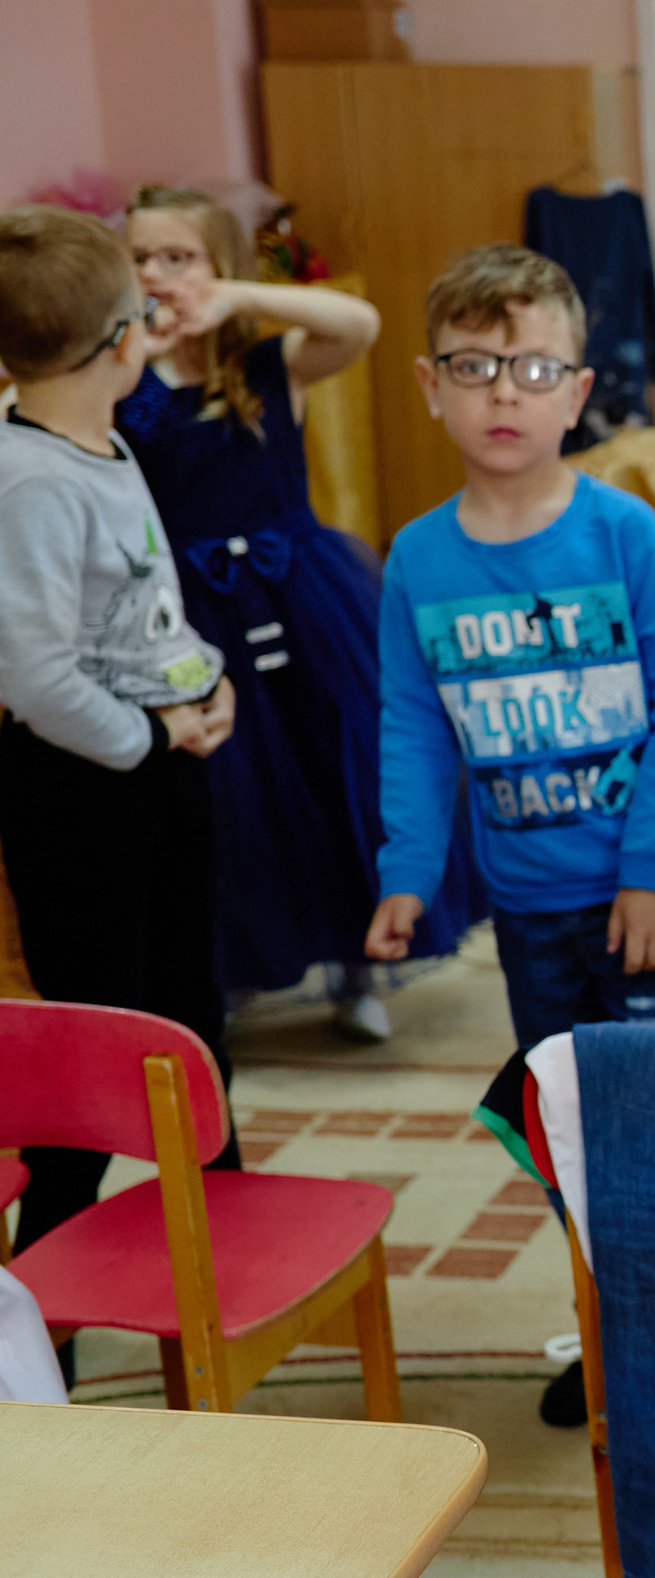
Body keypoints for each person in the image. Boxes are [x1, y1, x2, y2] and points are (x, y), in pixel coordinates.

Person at [363, 244, 655, 1428]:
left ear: (577, 391)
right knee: (568, 1140)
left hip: (648, 904)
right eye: (474, 366)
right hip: (530, 914)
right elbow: (411, 726)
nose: (503, 392)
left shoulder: (624, 537)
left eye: (531, 367)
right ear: (429, 384)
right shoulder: (418, 558)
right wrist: (408, 873)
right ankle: (620, 1331)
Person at [118, 185, 482, 1038]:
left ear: (221, 268)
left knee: (338, 773)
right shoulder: (129, 377)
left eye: (178, 258)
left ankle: (363, 965)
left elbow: (357, 324)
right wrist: (141, 345)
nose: (157, 274)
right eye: (139, 259)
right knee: (232, 794)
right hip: (193, 614)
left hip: (302, 598)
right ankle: (243, 962)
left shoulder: (268, 364)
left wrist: (240, 302)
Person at [0, 206, 241, 1356]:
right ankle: (39, 1322)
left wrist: (209, 679)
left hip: (157, 768)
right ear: (124, 339)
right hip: (84, 793)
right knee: (100, 1061)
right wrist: (148, 739)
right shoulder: (30, 482)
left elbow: (142, 609)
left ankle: (226, 1254)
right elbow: (37, 673)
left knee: (195, 1017)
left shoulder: (102, 440)